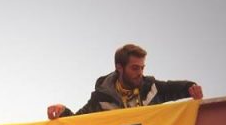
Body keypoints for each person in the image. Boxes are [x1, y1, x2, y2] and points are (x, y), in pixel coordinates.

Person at [47, 44, 203, 119]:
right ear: (119, 68)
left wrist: (191, 88)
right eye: (135, 68)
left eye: (142, 68)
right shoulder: (101, 99)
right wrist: (62, 111)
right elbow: (77, 123)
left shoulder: (152, 88)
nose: (140, 73)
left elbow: (178, 88)